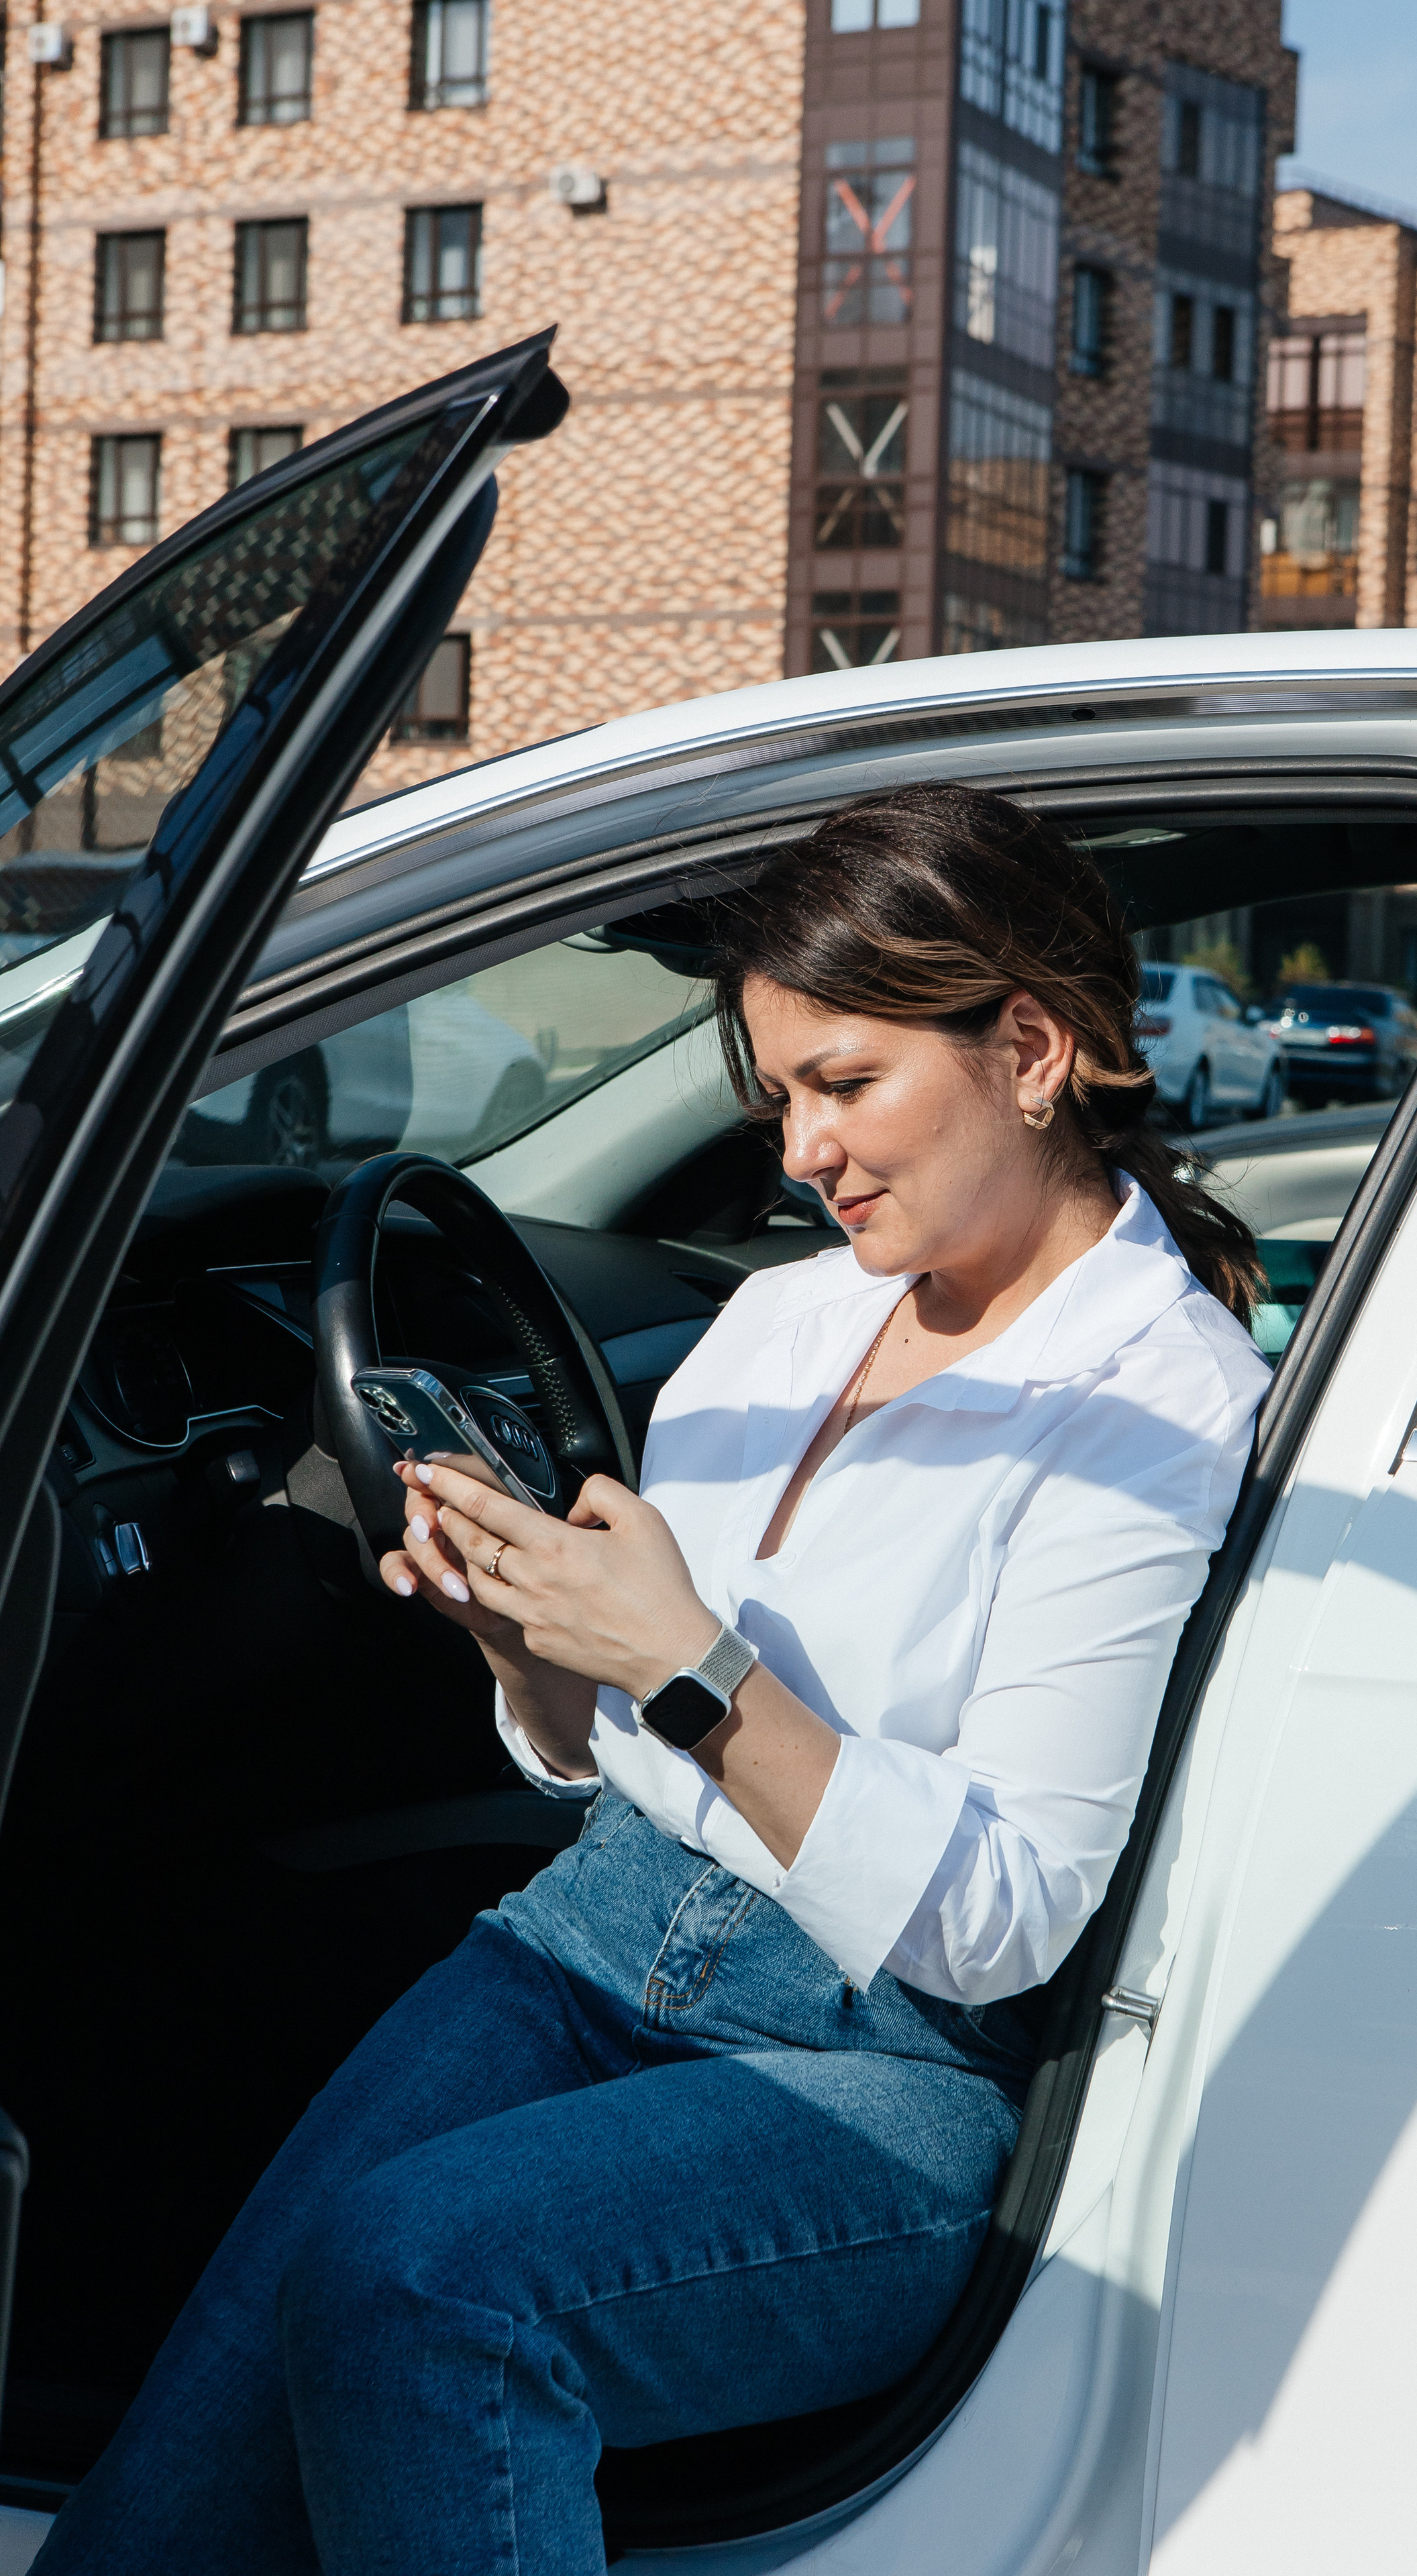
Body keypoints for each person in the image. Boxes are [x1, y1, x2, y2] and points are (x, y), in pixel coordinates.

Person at [37, 783, 1269, 2575]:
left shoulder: (1151, 1397)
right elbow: (613, 1752)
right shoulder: (786, 1317)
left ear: (1027, 1048)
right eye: (781, 1099)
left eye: (845, 1086)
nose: (801, 1153)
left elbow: (1004, 1920)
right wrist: (532, 1654)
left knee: (416, 2286)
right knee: (156, 2510)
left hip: (876, 2057)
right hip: (585, 1937)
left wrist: (686, 1666)